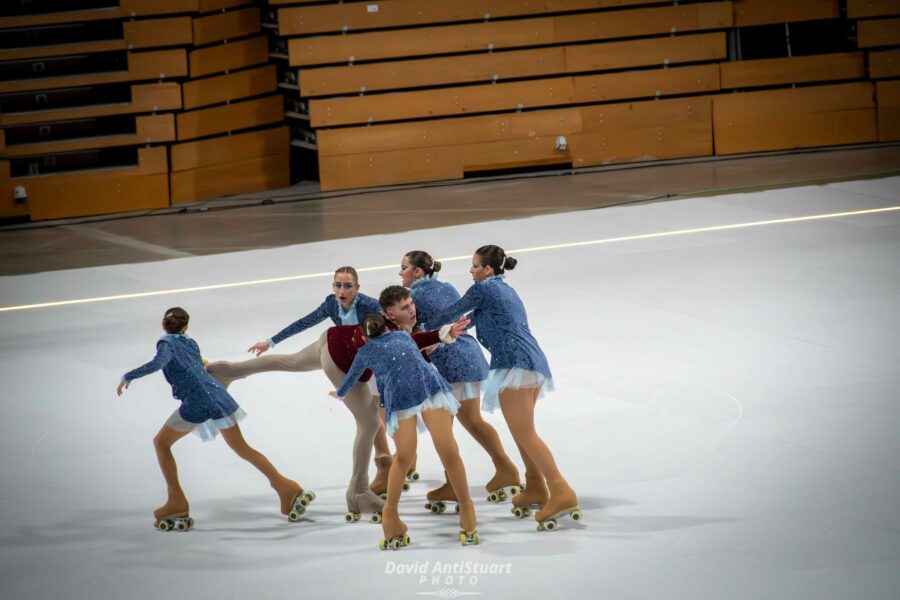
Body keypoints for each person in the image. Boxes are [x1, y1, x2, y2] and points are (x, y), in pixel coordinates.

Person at [428, 245, 582, 531]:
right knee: (521, 430)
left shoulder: (483, 290)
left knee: (525, 432)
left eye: (475, 266)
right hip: (531, 361)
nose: (471, 271)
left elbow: (451, 312)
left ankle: (561, 490)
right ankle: (535, 485)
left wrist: (418, 325)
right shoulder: (503, 290)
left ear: (487, 270)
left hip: (515, 365)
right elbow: (468, 320)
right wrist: (450, 330)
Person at [118, 307, 313, 531]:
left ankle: (176, 502)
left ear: (164, 324)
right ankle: (286, 488)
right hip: (219, 397)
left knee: (161, 443)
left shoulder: (166, 344)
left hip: (198, 402)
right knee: (243, 448)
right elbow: (198, 364)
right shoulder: (190, 343)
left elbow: (158, 363)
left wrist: (129, 375)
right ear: (186, 327)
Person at [333, 314, 479, 549]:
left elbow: (351, 379)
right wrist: (444, 333)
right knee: (448, 450)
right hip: (428, 389)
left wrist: (340, 393)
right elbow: (420, 340)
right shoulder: (402, 335)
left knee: (404, 457)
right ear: (386, 329)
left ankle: (390, 516)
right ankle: (468, 511)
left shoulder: (365, 352)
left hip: (403, 399)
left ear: (363, 335)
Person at [387, 266, 522, 510]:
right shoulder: (446, 286)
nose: (400, 272)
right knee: (471, 420)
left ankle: (462, 481)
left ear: (417, 271)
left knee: (447, 432)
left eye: (404, 267)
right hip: (468, 355)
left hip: (450, 361)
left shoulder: (413, 298)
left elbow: (421, 331)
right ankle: (504, 468)